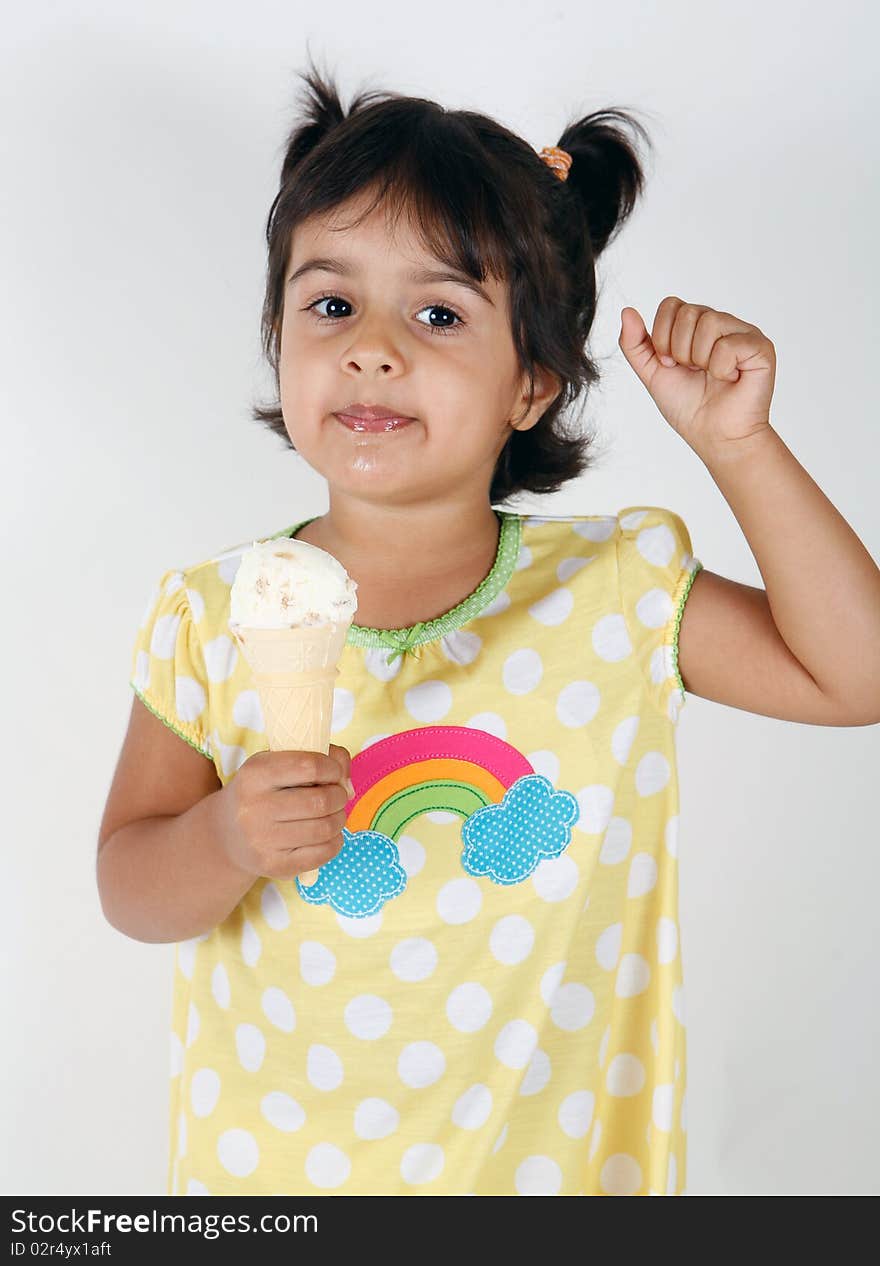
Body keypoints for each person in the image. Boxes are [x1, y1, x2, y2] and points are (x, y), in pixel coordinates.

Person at [96, 59, 880, 1197]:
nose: (373, 345)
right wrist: (224, 842)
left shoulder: (614, 593)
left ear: (532, 386)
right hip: (274, 1188)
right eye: (330, 303)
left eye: (437, 312)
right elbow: (128, 883)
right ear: (280, 337)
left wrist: (737, 447)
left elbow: (852, 677)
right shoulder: (214, 616)